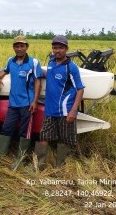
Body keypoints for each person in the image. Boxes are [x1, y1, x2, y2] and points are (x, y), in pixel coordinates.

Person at [34, 35, 85, 170]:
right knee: (43, 136)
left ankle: (59, 166)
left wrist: (74, 110)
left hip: (65, 110)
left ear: (66, 49)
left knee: (64, 139)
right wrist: (35, 69)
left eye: (60, 48)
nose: (57, 50)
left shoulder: (71, 68)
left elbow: (80, 89)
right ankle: (39, 165)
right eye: (55, 47)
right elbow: (50, 74)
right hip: (49, 110)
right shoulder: (51, 62)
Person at [0, 35, 42, 170]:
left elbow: (38, 81)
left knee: (25, 132)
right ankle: (1, 155)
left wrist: (35, 101)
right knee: (6, 128)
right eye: (17, 46)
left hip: (27, 104)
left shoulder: (33, 62)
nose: (19, 48)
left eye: (22, 46)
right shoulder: (11, 60)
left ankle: (20, 158)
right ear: (14, 48)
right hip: (13, 103)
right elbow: (4, 71)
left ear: (26, 47)